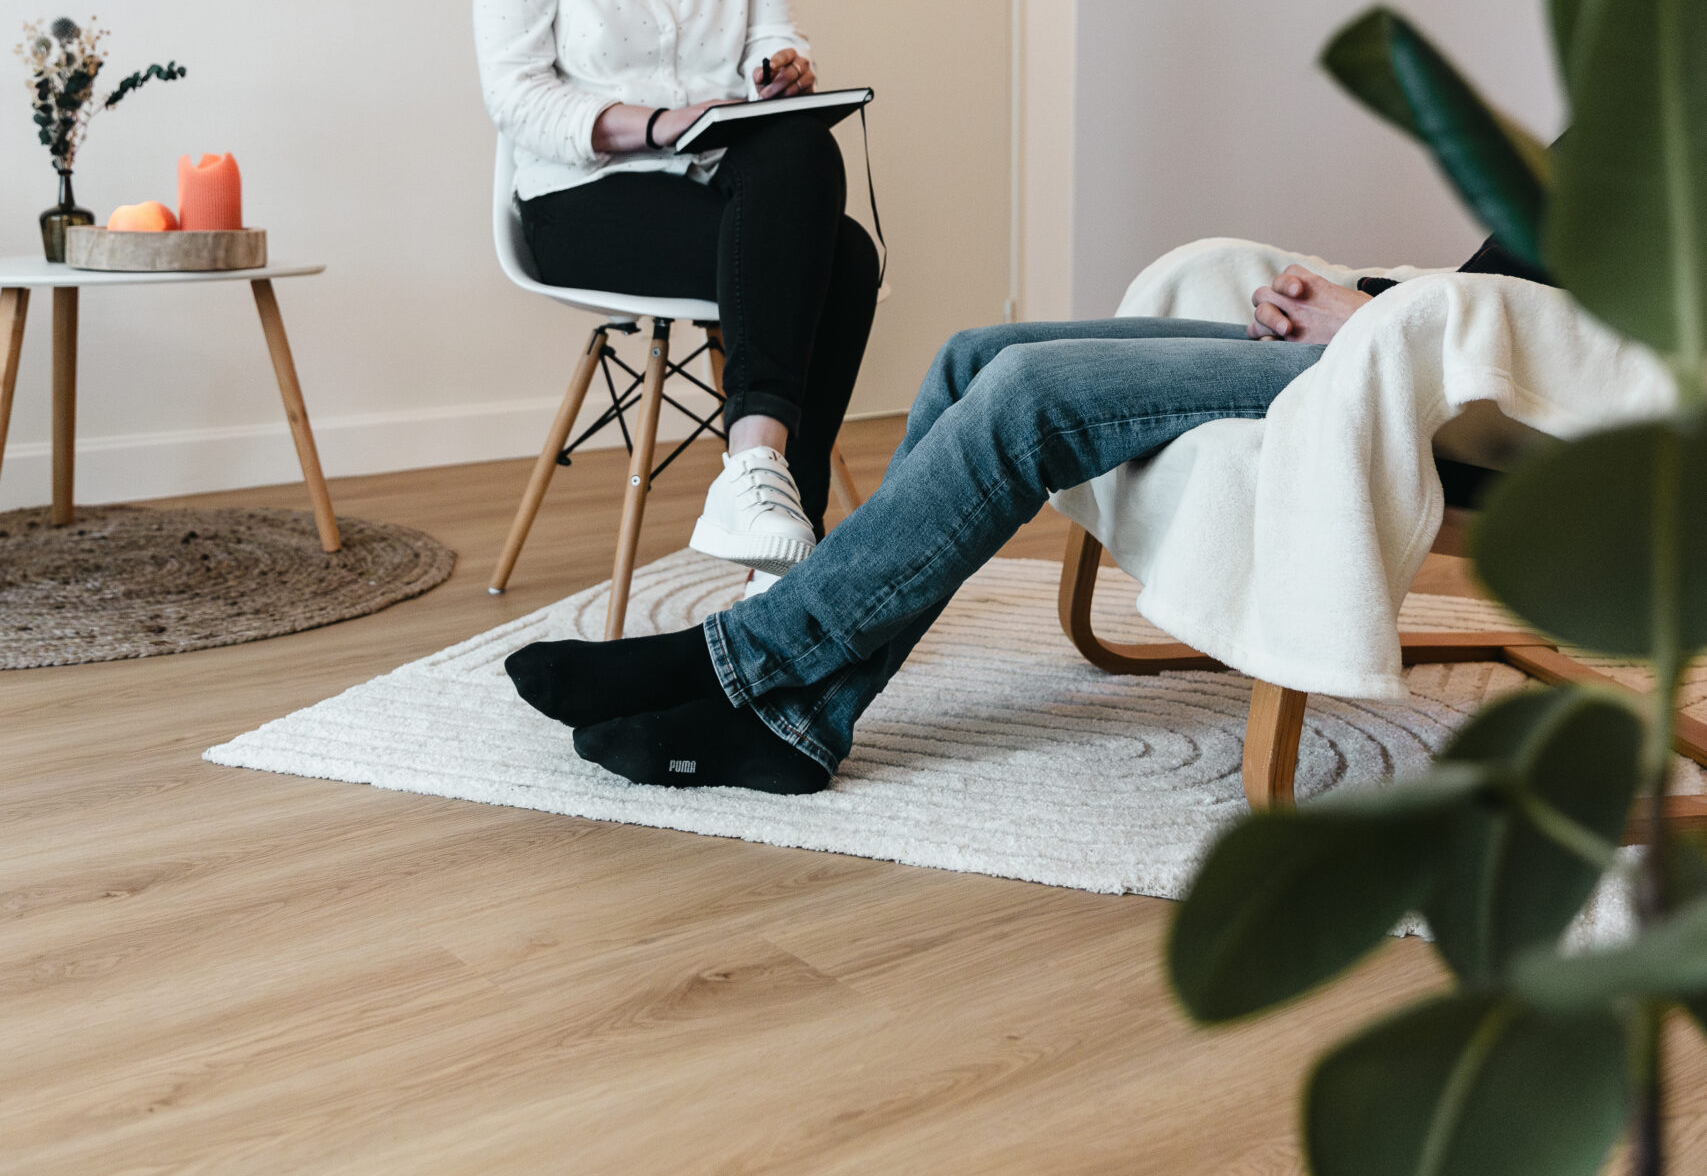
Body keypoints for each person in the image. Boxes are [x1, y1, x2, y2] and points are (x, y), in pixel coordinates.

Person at [504, 251, 1493, 793]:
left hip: (1463, 381)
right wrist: (1370, 297)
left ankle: (736, 658)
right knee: (974, 356)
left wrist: (1381, 317)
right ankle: (800, 722)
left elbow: (1563, 321)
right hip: (1401, 327)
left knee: (1030, 395)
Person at [475, 0, 880, 576]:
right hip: (581, 200)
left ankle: (761, 498)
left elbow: (770, 28)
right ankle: (784, 529)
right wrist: (658, 123)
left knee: (805, 159)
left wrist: (776, 66)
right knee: (839, 259)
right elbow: (515, 93)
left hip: (718, 183)